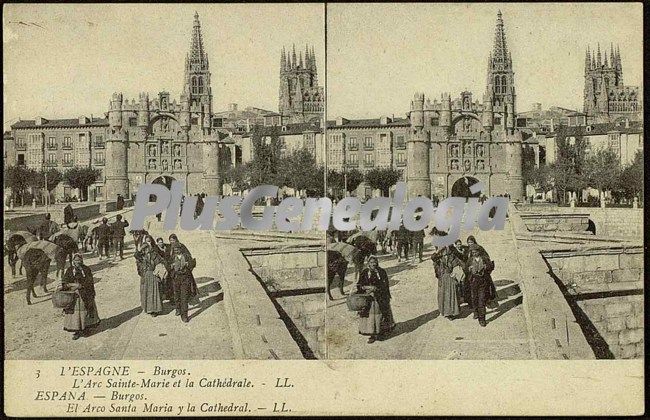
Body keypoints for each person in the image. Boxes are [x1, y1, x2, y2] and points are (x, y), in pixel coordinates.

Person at [356, 256, 395, 343]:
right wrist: (366, 287)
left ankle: (381, 333)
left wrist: (376, 288)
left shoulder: (381, 272)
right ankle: (372, 335)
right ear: (368, 263)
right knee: (370, 317)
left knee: (380, 315)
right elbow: (359, 284)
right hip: (368, 298)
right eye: (371, 262)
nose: (373, 264)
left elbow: (385, 285)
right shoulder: (364, 272)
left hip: (379, 297)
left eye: (375, 262)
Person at [61, 253, 100, 339]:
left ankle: (85, 329)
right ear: (73, 261)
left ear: (82, 261)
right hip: (73, 295)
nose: (77, 262)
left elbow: (90, 282)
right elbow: (64, 281)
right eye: (75, 260)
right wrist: (70, 285)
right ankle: (77, 331)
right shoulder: (70, 270)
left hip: (85, 293)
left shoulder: (86, 269)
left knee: (85, 311)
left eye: (79, 260)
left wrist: (81, 286)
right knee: (75, 314)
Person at [168, 234, 197, 323]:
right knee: (177, 296)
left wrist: (188, 264)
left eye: (178, 249)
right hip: (176, 279)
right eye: (175, 250)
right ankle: (178, 309)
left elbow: (193, 263)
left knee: (184, 297)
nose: (176, 251)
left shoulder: (186, 256)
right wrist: (171, 266)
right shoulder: (172, 257)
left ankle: (184, 315)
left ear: (181, 249)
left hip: (185, 278)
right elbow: (167, 266)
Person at [134, 235, 165, 317]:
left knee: (155, 292)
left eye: (149, 242)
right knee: (146, 293)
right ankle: (149, 309)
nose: (148, 246)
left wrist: (158, 269)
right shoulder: (142, 256)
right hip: (145, 276)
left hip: (153, 274)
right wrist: (139, 247)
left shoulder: (154, 254)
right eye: (146, 243)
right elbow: (136, 255)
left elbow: (161, 261)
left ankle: (155, 309)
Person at [431, 246, 463, 319]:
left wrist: (455, 274)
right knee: (444, 296)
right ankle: (446, 312)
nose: (445, 253)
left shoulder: (452, 258)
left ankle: (453, 312)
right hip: (442, 279)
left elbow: (457, 267)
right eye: (444, 252)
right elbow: (433, 259)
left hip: (451, 278)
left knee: (452, 295)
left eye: (446, 252)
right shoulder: (439, 259)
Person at [466, 235, 497, 305]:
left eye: (471, 242)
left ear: (474, 241)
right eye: (468, 242)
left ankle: (485, 301)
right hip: (473, 272)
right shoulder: (468, 250)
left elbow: (486, 257)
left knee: (485, 287)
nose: (470, 244)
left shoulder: (479, 248)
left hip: (482, 271)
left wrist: (483, 264)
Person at [467, 244, 489, 327]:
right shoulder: (470, 260)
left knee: (481, 300)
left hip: (482, 282)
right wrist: (469, 269)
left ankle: (482, 319)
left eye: (475, 252)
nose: (474, 253)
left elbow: (491, 266)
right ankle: (476, 312)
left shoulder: (484, 259)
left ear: (478, 252)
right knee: (475, 299)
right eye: (472, 252)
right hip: (473, 282)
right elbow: (465, 269)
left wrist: (486, 267)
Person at [155, 237, 174, 303]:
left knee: (169, 282)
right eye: (159, 242)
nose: (161, 243)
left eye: (162, 242)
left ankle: (170, 297)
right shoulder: (156, 249)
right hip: (161, 268)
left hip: (168, 266)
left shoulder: (167, 247)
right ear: (157, 243)